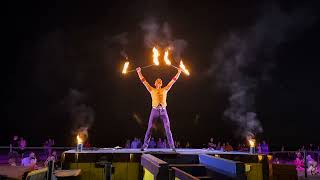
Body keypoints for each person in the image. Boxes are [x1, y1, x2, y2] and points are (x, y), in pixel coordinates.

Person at [136, 67, 182, 151]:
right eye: (157, 80)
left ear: (161, 83)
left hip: (164, 111)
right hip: (154, 111)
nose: (159, 81)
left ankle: (172, 147)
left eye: (160, 80)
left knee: (168, 128)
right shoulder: (151, 89)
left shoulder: (165, 89)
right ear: (155, 83)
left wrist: (179, 72)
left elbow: (173, 81)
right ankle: (145, 146)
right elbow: (144, 81)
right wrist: (139, 72)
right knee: (149, 128)